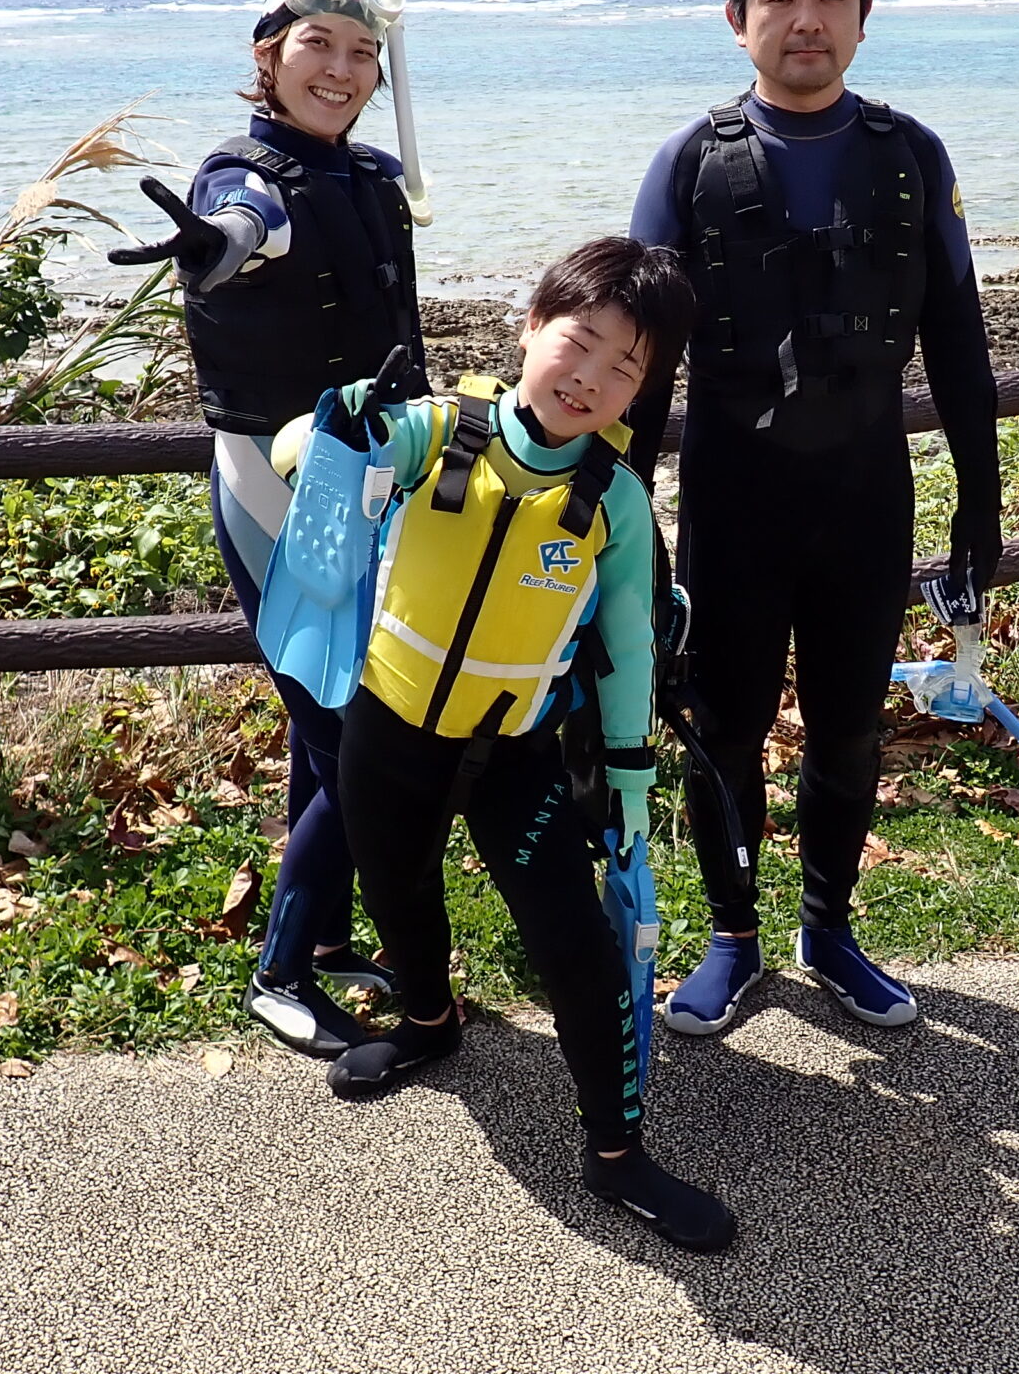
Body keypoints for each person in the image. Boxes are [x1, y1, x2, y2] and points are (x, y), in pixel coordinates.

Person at [279, 237, 737, 1253]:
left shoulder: (612, 500)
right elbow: (295, 457)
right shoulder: (439, 433)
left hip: (516, 754)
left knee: (574, 950)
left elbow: (624, 648)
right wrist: (341, 424)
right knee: (397, 893)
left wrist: (626, 782)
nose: (594, 378)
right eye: (581, 344)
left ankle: (617, 1154)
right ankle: (431, 1021)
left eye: (629, 368)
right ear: (532, 330)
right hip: (387, 728)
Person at [626, 0, 1003, 1038]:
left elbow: (958, 340)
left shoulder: (906, 156)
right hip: (736, 501)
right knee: (721, 724)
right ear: (736, 17)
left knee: (847, 726)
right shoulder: (690, 163)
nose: (805, 18)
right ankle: (731, 938)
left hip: (864, 497)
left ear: (865, 13)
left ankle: (829, 929)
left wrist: (978, 510)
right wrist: (621, 519)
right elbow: (634, 361)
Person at [109, 0, 428, 1059]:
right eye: (314, 47)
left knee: (321, 720)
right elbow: (243, 223)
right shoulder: (239, 173)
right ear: (267, 56)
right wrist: (216, 247)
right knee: (354, 730)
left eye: (359, 54)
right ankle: (280, 970)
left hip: (378, 477)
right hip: (275, 485)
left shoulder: (370, 178)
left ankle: (330, 936)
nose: (338, 70)